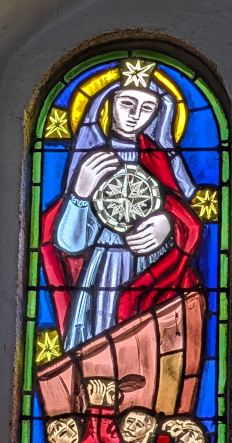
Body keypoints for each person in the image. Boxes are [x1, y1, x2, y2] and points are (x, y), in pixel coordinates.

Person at [40, 58, 203, 352]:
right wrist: (79, 194)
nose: (135, 115)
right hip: (104, 271)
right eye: (127, 103)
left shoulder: (158, 161)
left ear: (158, 114)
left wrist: (168, 224)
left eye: (147, 107)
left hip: (150, 272)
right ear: (108, 104)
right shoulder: (92, 160)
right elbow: (69, 244)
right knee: (100, 349)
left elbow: (184, 220)